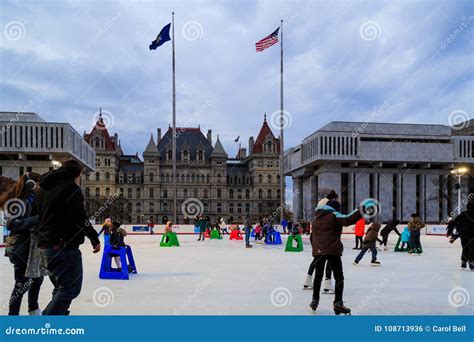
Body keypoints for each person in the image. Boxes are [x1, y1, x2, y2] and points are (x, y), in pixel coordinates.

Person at [36, 160, 101, 315]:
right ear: (77, 174)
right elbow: (80, 218)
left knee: (60, 287)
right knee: (70, 289)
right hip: (63, 246)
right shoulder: (71, 188)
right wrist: (94, 238)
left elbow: (38, 214)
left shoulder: (42, 188)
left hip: (45, 245)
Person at [309, 199, 364, 315]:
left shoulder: (316, 219)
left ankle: (315, 300)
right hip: (332, 250)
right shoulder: (334, 215)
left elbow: (311, 237)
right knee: (339, 277)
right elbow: (348, 219)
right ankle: (338, 303)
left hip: (318, 251)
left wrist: (316, 249)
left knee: (318, 276)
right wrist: (361, 210)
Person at [0, 172, 44, 315]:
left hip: (31, 246)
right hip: (19, 247)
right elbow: (12, 224)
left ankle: (33, 309)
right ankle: (13, 316)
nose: (40, 187)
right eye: (38, 183)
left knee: (37, 279)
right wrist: (36, 219)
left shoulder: (33, 199)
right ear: (31, 184)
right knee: (22, 283)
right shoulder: (19, 201)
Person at [446, 197, 474, 269]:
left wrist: (449, 232)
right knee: (472, 247)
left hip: (463, 234)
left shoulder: (463, 214)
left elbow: (453, 223)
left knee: (465, 247)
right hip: (472, 234)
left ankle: (464, 262)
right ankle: (471, 262)